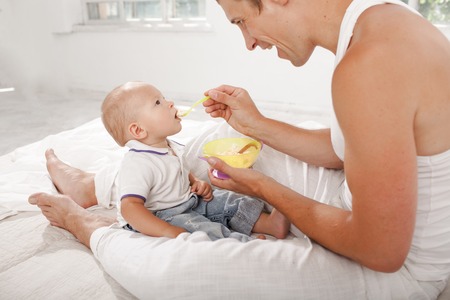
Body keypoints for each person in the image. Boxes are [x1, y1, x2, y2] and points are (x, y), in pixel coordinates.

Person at [28, 0, 450, 298]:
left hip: (400, 270)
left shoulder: (369, 65)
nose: (249, 42)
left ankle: (87, 226)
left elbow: (381, 252)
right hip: (357, 201)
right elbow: (350, 148)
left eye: (241, 22)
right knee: (218, 141)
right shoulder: (381, 19)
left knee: (183, 271)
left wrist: (263, 188)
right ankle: (99, 185)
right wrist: (257, 125)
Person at [98, 81, 289, 241]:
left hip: (188, 201)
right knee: (200, 229)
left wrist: (195, 182)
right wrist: (165, 230)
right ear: (138, 130)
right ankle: (239, 245)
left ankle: (269, 224)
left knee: (227, 200)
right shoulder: (138, 163)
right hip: (162, 216)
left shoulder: (166, 146)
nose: (170, 103)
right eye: (158, 102)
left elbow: (175, 170)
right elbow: (130, 207)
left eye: (163, 98)